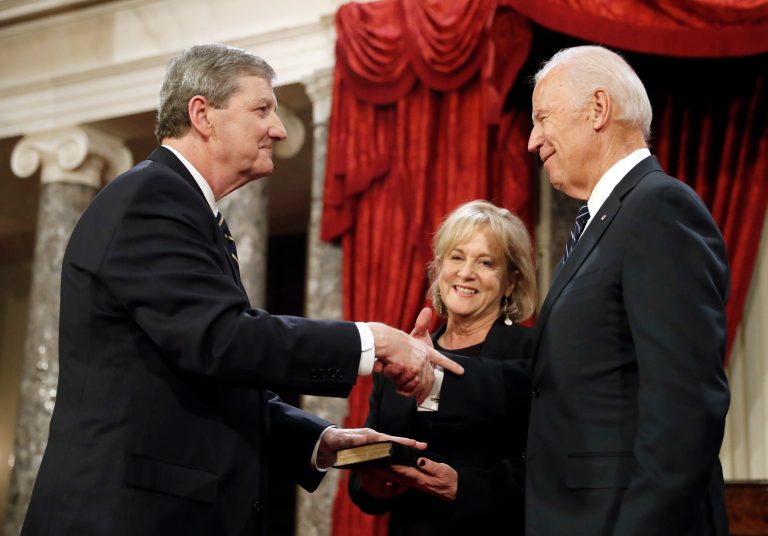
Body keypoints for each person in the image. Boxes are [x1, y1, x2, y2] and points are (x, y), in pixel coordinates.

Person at [20, 43, 462, 536]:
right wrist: (374, 340)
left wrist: (319, 439)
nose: (279, 128)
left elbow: (205, 372)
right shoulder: (152, 199)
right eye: (262, 109)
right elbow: (222, 340)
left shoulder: (188, 211)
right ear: (202, 114)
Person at [522, 46, 730, 535]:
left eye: (542, 118)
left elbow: (685, 409)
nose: (533, 140)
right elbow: (565, 383)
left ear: (598, 109)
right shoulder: (606, 220)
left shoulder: (659, 208)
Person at [348, 200, 537, 535]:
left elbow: (547, 467)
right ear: (439, 268)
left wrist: (463, 487)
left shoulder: (532, 353)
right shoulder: (403, 357)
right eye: (457, 257)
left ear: (510, 282)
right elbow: (365, 475)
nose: (466, 273)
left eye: (486, 262)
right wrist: (372, 486)